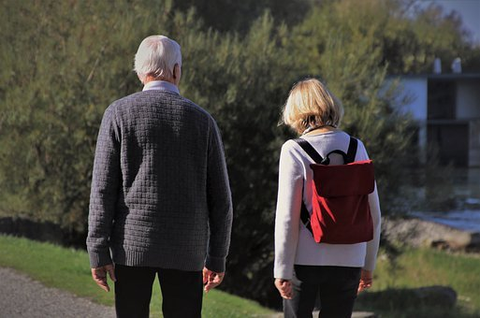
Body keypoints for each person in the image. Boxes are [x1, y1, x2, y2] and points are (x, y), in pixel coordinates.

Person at [86, 35, 233, 318]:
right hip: (186, 249)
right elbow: (221, 200)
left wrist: (98, 250)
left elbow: (102, 189)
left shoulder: (118, 114)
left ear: (140, 71)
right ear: (177, 70)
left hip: (132, 246)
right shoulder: (202, 121)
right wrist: (217, 256)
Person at [273, 78, 381, 318]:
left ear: (296, 111)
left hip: (304, 259)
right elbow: (374, 214)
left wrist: (282, 268)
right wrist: (368, 265)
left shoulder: (294, 150)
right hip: (350, 259)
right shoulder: (356, 147)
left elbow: (287, 218)